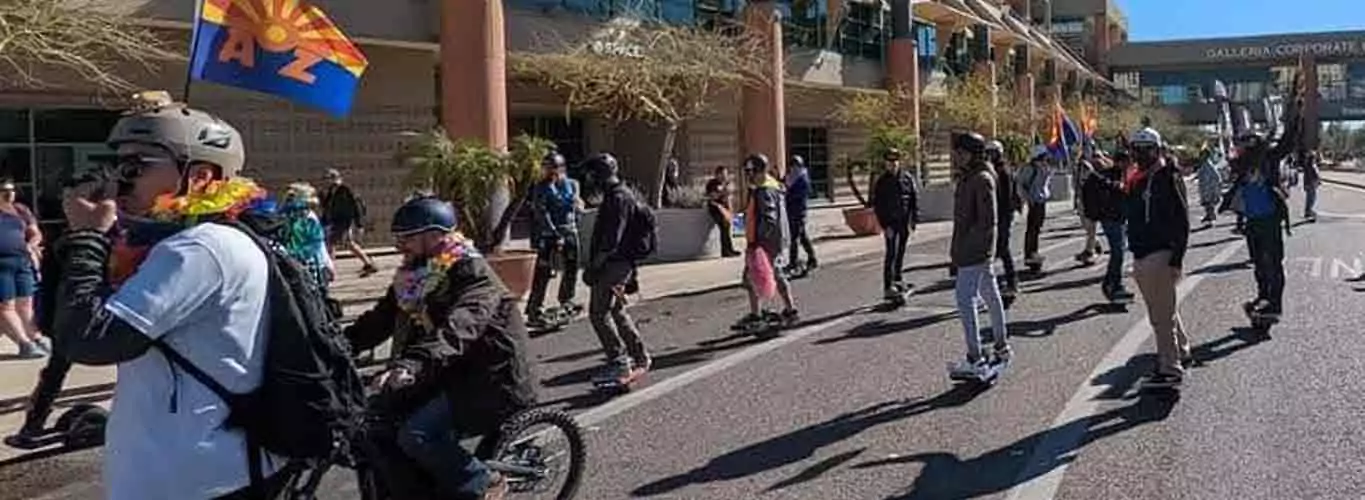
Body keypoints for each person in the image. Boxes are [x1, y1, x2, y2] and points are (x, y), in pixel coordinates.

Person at [46, 94, 294, 498]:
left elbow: (88, 341)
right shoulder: (169, 246)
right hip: (182, 474)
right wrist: (79, 244)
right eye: (117, 165)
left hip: (201, 481)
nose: (119, 180)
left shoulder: (200, 249)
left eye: (136, 166)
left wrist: (86, 238)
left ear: (199, 177)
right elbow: (61, 322)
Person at [343, 196, 534, 500]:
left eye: (407, 237)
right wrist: (338, 345)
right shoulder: (414, 274)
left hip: (489, 378)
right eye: (398, 237)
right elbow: (381, 319)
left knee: (416, 435)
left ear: (435, 236)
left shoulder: (473, 274)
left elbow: (459, 329)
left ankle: (484, 480)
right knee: (372, 422)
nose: (399, 245)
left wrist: (410, 364)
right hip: (444, 369)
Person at [1123, 127, 1192, 389]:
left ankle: (1170, 368)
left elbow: (1182, 221)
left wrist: (1177, 259)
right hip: (1142, 253)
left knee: (1160, 317)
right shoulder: (1138, 178)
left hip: (1160, 254)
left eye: (1146, 149)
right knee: (1164, 309)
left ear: (1158, 150)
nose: (1140, 154)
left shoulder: (1166, 177)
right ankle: (1181, 349)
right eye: (1136, 149)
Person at [583, 153, 652, 383]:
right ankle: (639, 355)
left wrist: (594, 267)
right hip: (620, 264)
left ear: (598, 175)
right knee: (616, 311)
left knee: (598, 313)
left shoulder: (617, 199)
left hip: (614, 265)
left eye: (591, 175)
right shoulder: (620, 194)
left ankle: (619, 361)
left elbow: (611, 240)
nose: (589, 180)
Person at [947, 132, 1010, 378]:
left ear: (973, 154)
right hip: (974, 251)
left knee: (966, 300)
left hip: (974, 252)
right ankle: (1001, 346)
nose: (956, 157)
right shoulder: (971, 176)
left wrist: (969, 253)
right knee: (991, 297)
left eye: (961, 153)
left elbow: (987, 222)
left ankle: (976, 357)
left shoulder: (981, 178)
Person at [1225, 127, 1296, 322]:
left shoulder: (1269, 158)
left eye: (1242, 146)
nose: (1238, 150)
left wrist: (1297, 114)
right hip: (1253, 221)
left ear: (1251, 146)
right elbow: (1234, 169)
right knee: (1258, 264)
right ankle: (1264, 297)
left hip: (1270, 220)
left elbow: (1287, 143)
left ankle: (1275, 304)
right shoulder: (1243, 165)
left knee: (1273, 263)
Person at [734, 153, 799, 328]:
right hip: (773, 240)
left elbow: (769, 218)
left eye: (750, 171)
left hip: (764, 242)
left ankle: (762, 314)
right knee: (770, 275)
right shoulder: (771, 185)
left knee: (753, 277)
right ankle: (788, 309)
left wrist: (758, 243)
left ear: (757, 171)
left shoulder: (764, 190)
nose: (748, 175)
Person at [525, 152, 584, 327]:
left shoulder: (572, 185)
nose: (550, 173)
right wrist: (554, 234)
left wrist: (578, 205)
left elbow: (578, 207)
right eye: (547, 169)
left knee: (572, 268)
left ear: (561, 169)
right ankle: (535, 309)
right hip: (550, 235)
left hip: (570, 231)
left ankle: (567, 300)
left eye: (554, 169)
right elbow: (541, 213)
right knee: (544, 272)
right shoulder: (541, 188)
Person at [1081, 151, 1136, 302]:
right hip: (1110, 219)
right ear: (1120, 162)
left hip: (1120, 219)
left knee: (1119, 253)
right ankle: (1114, 284)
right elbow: (1101, 187)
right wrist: (1116, 187)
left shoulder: (1122, 175)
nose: (1130, 165)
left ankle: (1110, 283)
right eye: (1127, 162)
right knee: (1118, 252)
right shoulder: (1106, 176)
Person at [0, 179, 45, 358]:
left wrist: (32, 244)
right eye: (4, 190)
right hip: (1, 264)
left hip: (21, 261)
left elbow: (35, 233)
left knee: (26, 304)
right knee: (5, 306)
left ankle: (35, 338)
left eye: (12, 190)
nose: (9, 193)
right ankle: (24, 344)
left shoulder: (21, 210)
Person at [871, 147, 919, 301]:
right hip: (890, 223)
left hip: (904, 222)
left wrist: (914, 220)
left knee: (900, 253)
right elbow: (878, 205)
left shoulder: (907, 178)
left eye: (895, 161)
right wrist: (884, 226)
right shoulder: (882, 181)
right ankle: (888, 286)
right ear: (885, 163)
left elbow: (913, 199)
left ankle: (898, 281)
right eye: (889, 162)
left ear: (899, 162)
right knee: (890, 254)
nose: (892, 164)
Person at [319, 168, 378, 277]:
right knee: (349, 244)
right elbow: (327, 208)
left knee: (331, 244)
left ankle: (329, 269)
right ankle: (368, 263)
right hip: (336, 221)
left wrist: (359, 224)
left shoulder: (345, 189)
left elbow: (356, 207)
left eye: (327, 178)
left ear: (334, 178)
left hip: (344, 221)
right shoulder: (331, 191)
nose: (325, 181)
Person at [280, 182, 334, 291]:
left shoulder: (283, 215)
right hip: (308, 266)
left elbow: (317, 245)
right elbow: (317, 245)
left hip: (292, 265)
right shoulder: (307, 217)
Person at [985, 140, 1022, 299]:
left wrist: (1001, 215)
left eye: (992, 152)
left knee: (1002, 248)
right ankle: (1001, 282)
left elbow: (1005, 197)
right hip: (1001, 214)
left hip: (1003, 215)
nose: (989, 155)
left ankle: (1012, 281)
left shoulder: (1002, 170)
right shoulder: (997, 169)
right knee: (998, 249)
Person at [1017, 146, 1053, 270]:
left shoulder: (1044, 167)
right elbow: (1021, 185)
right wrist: (1027, 199)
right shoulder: (1030, 168)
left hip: (1041, 201)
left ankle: (1034, 252)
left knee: (1036, 229)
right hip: (1034, 202)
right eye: (1044, 155)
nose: (1047, 157)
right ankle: (1030, 254)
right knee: (1032, 229)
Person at [784, 154, 817, 274]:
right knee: (802, 237)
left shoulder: (802, 179)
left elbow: (798, 195)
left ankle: (793, 262)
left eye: (795, 166)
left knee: (795, 238)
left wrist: (788, 193)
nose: (793, 168)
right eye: (792, 166)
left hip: (798, 212)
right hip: (791, 211)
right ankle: (812, 258)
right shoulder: (791, 177)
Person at [704, 166, 740, 258]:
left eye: (726, 174)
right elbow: (712, 197)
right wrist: (722, 192)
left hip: (724, 209)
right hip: (715, 208)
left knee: (727, 228)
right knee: (724, 227)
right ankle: (725, 251)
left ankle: (729, 249)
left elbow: (728, 196)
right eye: (723, 174)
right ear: (717, 174)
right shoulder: (712, 184)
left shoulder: (725, 183)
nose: (725, 176)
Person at [1196, 147, 1225, 226]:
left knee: (1209, 204)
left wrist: (1215, 187)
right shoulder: (1204, 165)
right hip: (1205, 188)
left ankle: (1210, 219)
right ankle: (1209, 217)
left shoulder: (1209, 165)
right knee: (1207, 204)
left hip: (1209, 188)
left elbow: (1217, 177)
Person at [1301, 149, 1321, 222]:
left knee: (1309, 199)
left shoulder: (1308, 165)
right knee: (1311, 199)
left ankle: (1308, 212)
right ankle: (1309, 212)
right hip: (1311, 184)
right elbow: (1315, 175)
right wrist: (1318, 181)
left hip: (1309, 184)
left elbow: (1306, 176)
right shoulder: (1312, 166)